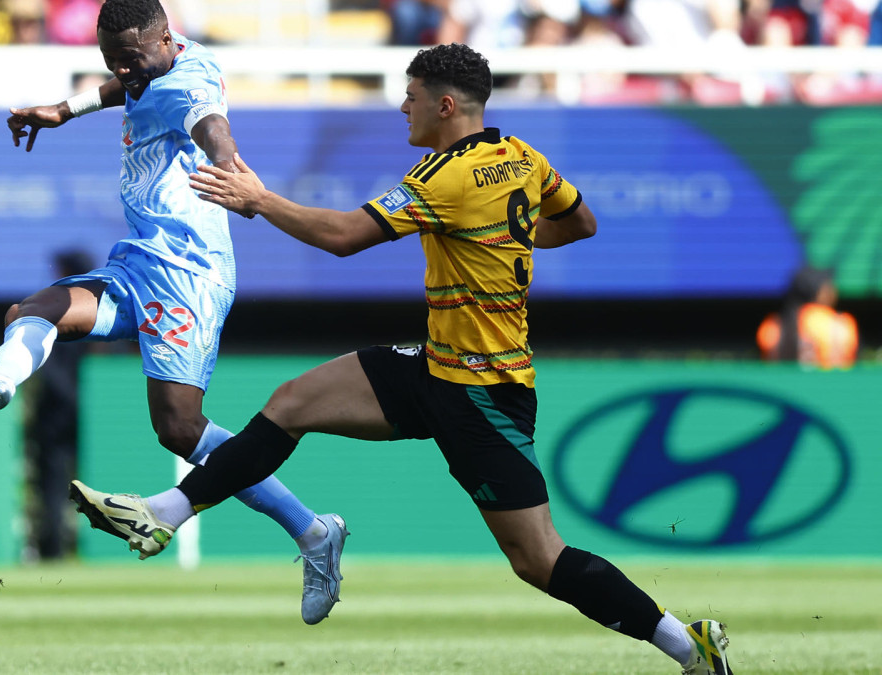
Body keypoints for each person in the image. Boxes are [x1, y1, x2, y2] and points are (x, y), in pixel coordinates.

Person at [68, 43, 734, 674]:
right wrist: (505, 236)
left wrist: (260, 200)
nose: (403, 107)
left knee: (537, 558)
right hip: (436, 366)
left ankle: (685, 641)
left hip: (483, 394)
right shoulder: (522, 157)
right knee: (292, 402)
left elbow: (343, 237)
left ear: (446, 105)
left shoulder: (446, 176)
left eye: (412, 96)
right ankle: (166, 512)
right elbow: (581, 222)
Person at [0, 0, 347, 625]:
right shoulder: (159, 61)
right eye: (111, 59)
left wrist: (231, 171)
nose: (122, 71)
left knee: (179, 429)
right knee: (32, 309)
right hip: (141, 259)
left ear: (165, 40)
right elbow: (132, 84)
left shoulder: (189, 86)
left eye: (131, 59)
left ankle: (312, 531)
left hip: (188, 273)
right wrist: (65, 110)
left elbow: (210, 125)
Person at [24, 249, 94, 560]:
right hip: (90, 414)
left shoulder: (55, 310)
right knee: (95, 482)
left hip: (58, 414)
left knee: (53, 486)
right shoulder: (108, 310)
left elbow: (48, 370)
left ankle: (54, 554)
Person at [757, 266, 857, 370]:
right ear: (820, 292)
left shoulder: (774, 325)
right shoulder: (841, 324)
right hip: (830, 380)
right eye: (829, 285)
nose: (834, 290)